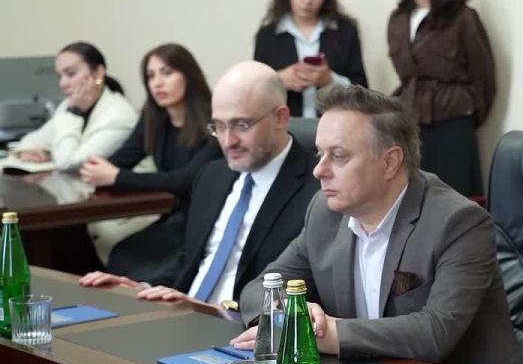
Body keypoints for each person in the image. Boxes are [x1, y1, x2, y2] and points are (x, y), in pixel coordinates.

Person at [230, 85, 523, 364]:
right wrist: (289, 316)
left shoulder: (458, 222)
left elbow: (435, 332)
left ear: (390, 162)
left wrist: (322, 334)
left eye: (338, 156)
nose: (319, 171)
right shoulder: (325, 212)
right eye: (320, 154)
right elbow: (258, 289)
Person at [78, 61, 320, 307]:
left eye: (241, 125)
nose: (228, 141)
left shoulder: (319, 190)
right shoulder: (212, 176)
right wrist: (143, 289)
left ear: (280, 118)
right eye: (219, 126)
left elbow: (305, 292)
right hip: (185, 315)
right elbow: (190, 263)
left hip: (247, 324)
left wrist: (211, 311)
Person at [80, 44, 222, 283]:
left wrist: (116, 176)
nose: (157, 83)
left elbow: (187, 181)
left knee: (142, 267)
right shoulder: (153, 118)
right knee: (121, 254)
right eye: (151, 76)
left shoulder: (213, 120)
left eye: (167, 73)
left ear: (188, 75)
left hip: (203, 221)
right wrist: (98, 168)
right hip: (172, 217)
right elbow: (122, 158)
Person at [387, 0, 494, 197]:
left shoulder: (463, 17)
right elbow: (406, 78)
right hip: (410, 125)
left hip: (452, 122)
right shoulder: (398, 20)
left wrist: (465, 114)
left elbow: (483, 77)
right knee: (411, 201)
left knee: (452, 201)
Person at [254, 0, 368, 118]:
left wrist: (330, 80)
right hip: (284, 124)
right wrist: (279, 80)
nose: (307, 0)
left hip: (335, 123)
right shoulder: (267, 35)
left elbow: (363, 90)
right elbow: (254, 89)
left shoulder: (345, 32)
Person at [11, 42, 137, 171]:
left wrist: (74, 112)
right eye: (59, 77)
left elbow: (68, 163)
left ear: (98, 73)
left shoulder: (119, 117)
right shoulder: (68, 104)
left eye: (71, 74)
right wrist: (28, 152)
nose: (63, 84)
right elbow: (33, 139)